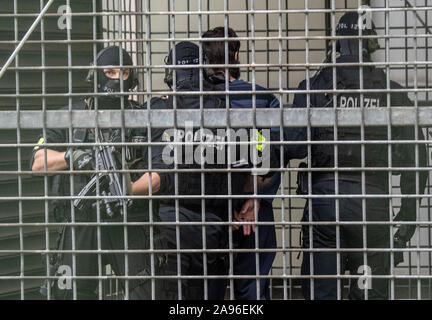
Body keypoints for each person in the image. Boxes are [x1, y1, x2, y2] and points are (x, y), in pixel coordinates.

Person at [278, 12, 428, 300]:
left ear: (338, 44)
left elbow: (290, 146)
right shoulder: (391, 94)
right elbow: (416, 160)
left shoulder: (314, 88)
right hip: (372, 208)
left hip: (325, 207)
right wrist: (408, 216)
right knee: (369, 295)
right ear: (371, 45)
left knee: (322, 294)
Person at [137, 41, 274, 300]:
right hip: (214, 230)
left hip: (168, 230)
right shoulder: (227, 109)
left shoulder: (156, 109)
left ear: (170, 73)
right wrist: (247, 191)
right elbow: (266, 161)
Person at [31, 46, 166, 300]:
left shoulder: (145, 118)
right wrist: (72, 157)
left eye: (124, 73)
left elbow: (161, 175)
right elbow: (38, 163)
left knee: (147, 294)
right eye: (110, 72)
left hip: (131, 221)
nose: (116, 79)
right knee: (69, 294)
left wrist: (127, 189)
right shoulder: (69, 117)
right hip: (81, 221)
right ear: (97, 75)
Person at [202, 26, 280, 300]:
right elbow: (272, 153)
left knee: (205, 290)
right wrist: (255, 197)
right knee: (253, 291)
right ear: (236, 56)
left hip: (206, 213)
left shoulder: (192, 101)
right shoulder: (262, 98)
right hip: (254, 211)